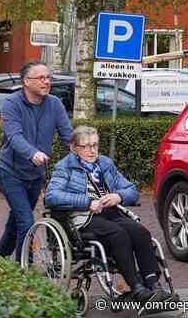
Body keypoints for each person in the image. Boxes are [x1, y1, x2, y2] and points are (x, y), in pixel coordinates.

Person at [45, 126, 177, 308]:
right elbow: (52, 196)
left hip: (111, 213)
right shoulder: (65, 167)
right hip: (84, 217)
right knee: (118, 235)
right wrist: (86, 202)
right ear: (73, 148)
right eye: (85, 146)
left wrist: (118, 196)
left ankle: (154, 286)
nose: (92, 151)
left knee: (141, 233)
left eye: (95, 145)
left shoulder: (105, 164)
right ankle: (138, 289)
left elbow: (131, 190)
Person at [0, 60, 72, 259]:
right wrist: (33, 153)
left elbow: (67, 135)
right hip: (10, 173)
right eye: (41, 78)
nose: (47, 82)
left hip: (36, 175)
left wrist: (82, 150)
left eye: (48, 78)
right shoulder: (12, 103)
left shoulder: (55, 104)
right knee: (26, 221)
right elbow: (14, 136)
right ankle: (23, 268)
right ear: (26, 82)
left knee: (17, 220)